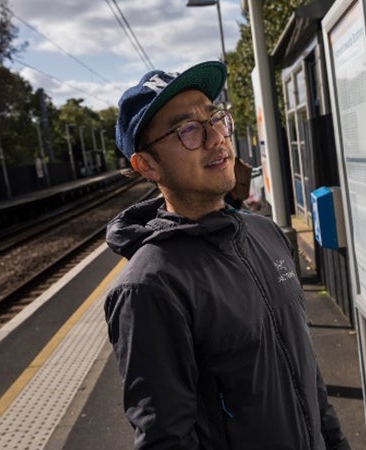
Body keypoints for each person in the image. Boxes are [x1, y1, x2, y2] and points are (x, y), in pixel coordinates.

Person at [104, 60, 350, 450]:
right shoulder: (149, 287)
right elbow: (166, 439)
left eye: (215, 117)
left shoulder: (265, 234)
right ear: (147, 165)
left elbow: (307, 379)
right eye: (187, 129)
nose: (215, 137)